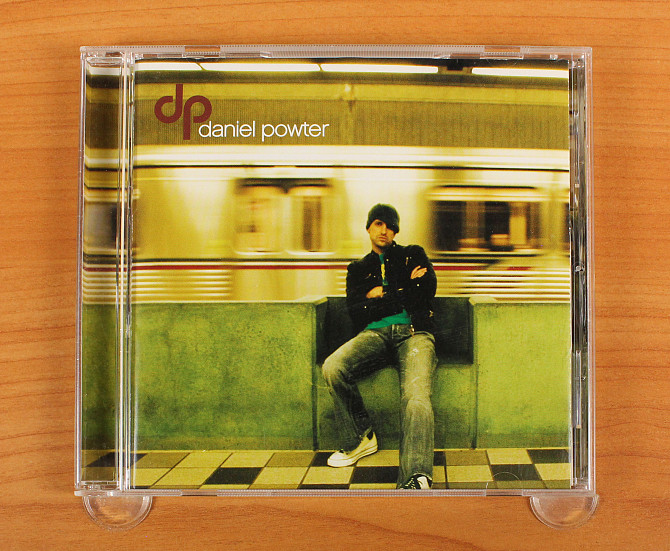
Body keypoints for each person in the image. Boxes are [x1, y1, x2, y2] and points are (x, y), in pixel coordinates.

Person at [322, 203, 437, 489]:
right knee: (333, 367)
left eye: (390, 225)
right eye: (378, 223)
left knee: (416, 396)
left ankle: (416, 475)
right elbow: (357, 312)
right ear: (368, 228)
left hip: (414, 333)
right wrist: (404, 289)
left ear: (396, 231)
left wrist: (380, 294)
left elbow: (426, 292)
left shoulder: (413, 254)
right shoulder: (358, 269)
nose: (384, 230)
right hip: (374, 334)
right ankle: (361, 437)